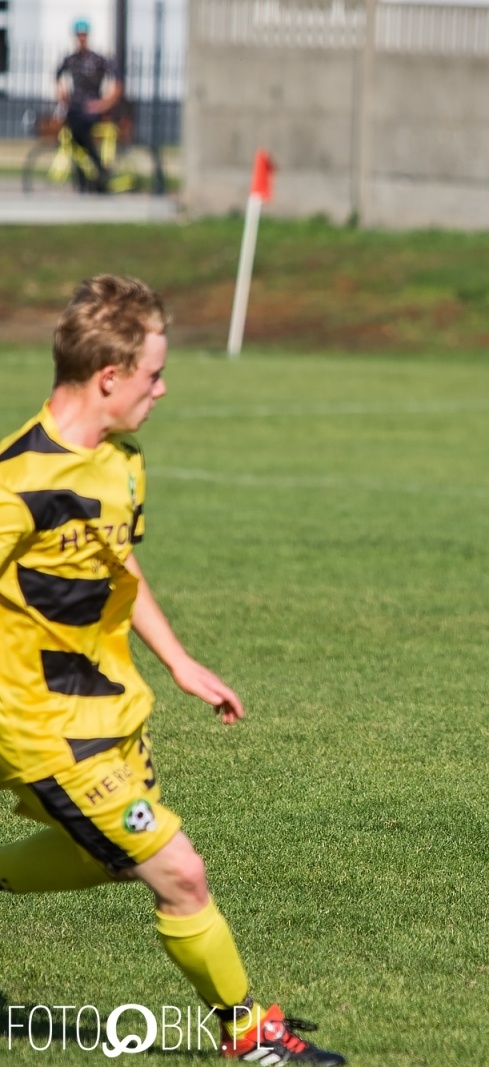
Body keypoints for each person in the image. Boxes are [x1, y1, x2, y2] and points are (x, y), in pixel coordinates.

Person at [0, 276, 345, 1065]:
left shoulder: (122, 463)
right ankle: (249, 1033)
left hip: (111, 709)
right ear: (108, 376)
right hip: (43, 726)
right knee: (180, 872)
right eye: (153, 374)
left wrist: (181, 660)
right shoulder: (18, 482)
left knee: (101, 858)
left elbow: (116, 562)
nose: (162, 388)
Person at [54, 20, 121, 193]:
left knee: (82, 130)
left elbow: (117, 82)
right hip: (75, 109)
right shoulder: (71, 59)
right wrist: (62, 94)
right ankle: (84, 178)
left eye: (84, 34)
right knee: (74, 138)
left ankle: (99, 169)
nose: (81, 38)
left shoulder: (97, 60)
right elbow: (57, 76)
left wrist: (104, 103)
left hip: (91, 110)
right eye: (79, 35)